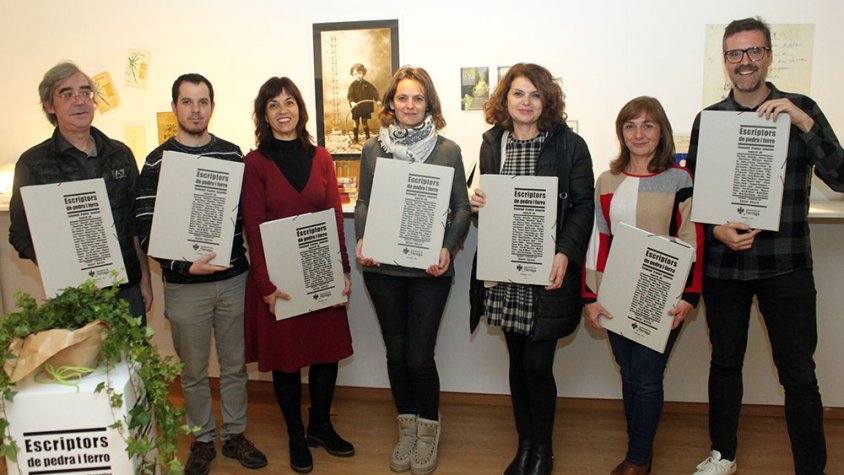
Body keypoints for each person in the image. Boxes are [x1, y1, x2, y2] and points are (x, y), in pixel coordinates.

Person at [688, 17, 843, 475]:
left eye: (754, 51)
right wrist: (714, 227)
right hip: (725, 267)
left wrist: (802, 120)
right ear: (725, 61)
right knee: (725, 363)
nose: (745, 62)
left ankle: (810, 468)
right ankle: (723, 455)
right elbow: (695, 192)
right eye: (735, 53)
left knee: (799, 374)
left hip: (786, 264)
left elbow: (840, 175)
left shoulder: (801, 108)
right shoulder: (709, 119)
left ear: (769, 56)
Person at [135, 73, 267, 475]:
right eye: (187, 102)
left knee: (234, 365)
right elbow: (145, 224)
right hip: (184, 285)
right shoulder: (157, 161)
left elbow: (246, 216)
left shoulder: (231, 155)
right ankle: (203, 439)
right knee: (192, 371)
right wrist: (182, 265)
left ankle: (235, 435)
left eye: (203, 101)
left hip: (231, 279)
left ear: (212, 106)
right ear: (174, 107)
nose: (196, 109)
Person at [469, 63, 594, 475]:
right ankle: (524, 447)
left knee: (539, 365)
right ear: (505, 99)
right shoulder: (493, 144)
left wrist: (564, 253)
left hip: (547, 273)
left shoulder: (570, 145)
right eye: (518, 94)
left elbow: (583, 205)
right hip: (504, 273)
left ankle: (544, 451)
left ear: (547, 101)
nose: (526, 102)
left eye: (535, 95)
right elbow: (488, 213)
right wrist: (477, 208)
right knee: (517, 363)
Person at [355, 66, 471, 475]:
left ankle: (428, 429)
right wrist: (363, 238)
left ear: (429, 104)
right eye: (402, 98)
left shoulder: (447, 150)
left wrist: (448, 249)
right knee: (396, 353)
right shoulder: (373, 150)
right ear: (390, 103)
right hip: (383, 270)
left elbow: (462, 208)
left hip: (428, 273)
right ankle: (406, 428)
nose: (409, 105)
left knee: (420, 357)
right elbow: (364, 202)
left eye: (417, 98)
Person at [582, 97, 703, 475]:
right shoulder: (607, 180)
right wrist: (591, 296)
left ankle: (637, 460)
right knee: (629, 373)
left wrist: (690, 297)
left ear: (661, 131)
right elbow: (598, 241)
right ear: (621, 132)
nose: (639, 133)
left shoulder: (680, 179)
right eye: (630, 125)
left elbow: (692, 238)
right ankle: (641, 448)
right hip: (616, 294)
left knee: (648, 377)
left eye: (648, 125)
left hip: (663, 299)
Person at [241, 76, 354, 474]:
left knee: (326, 354)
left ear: (300, 109)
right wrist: (265, 286)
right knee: (288, 361)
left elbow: (334, 218)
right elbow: (252, 227)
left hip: (320, 270)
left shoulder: (322, 158)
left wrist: (343, 269)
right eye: (274, 104)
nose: (283, 110)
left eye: (289, 102)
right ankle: (294, 434)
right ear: (264, 115)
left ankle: (320, 426)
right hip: (280, 280)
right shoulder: (254, 164)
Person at [8, 61, 152, 319]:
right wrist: (61, 273)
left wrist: (145, 279)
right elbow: (20, 235)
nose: (79, 100)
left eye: (86, 93)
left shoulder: (120, 154)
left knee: (131, 360)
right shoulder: (32, 164)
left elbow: (134, 223)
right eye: (67, 94)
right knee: (80, 361)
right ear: (49, 106)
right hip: (72, 297)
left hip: (126, 289)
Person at [347, 63, 380, 143]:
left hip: (365, 107)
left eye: (359, 73)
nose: (357, 75)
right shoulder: (352, 85)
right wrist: (352, 102)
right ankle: (355, 137)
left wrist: (378, 100)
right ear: (352, 75)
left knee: (364, 121)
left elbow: (374, 92)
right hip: (356, 107)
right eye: (355, 74)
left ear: (363, 73)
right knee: (356, 122)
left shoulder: (367, 84)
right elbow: (350, 95)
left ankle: (367, 137)